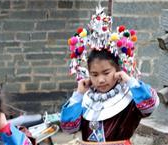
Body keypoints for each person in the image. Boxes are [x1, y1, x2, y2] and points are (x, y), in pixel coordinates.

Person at [61, 8, 158, 142]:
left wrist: (129, 81)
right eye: (94, 74)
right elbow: (68, 127)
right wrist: (78, 95)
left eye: (106, 73)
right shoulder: (86, 101)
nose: (101, 80)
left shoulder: (129, 98)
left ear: (117, 70)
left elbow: (150, 105)